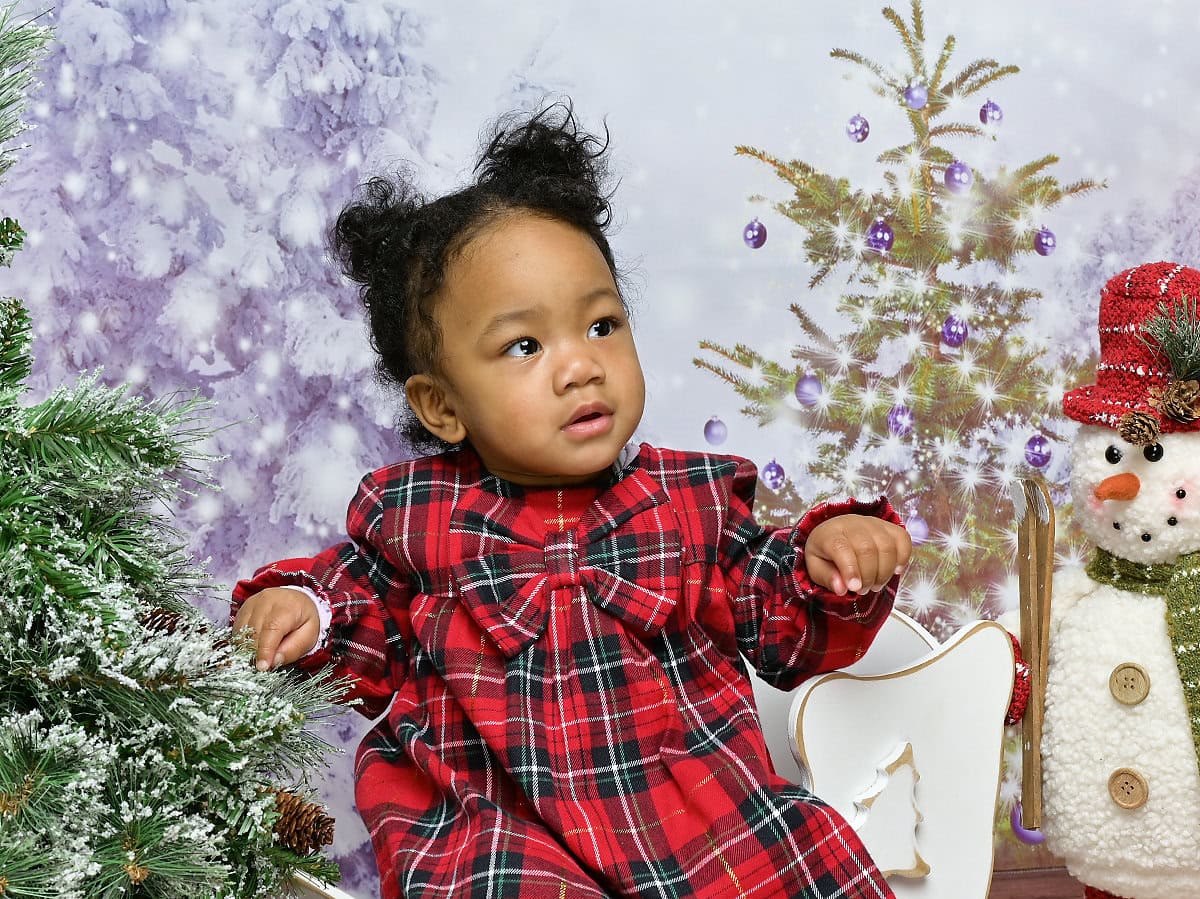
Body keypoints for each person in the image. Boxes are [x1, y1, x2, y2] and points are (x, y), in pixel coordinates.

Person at [232, 103, 911, 899]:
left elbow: (785, 623)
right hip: (495, 821)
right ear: (442, 405)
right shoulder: (416, 521)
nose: (580, 366)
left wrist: (833, 558)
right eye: (525, 345)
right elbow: (360, 617)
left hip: (694, 815)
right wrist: (303, 609)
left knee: (794, 863)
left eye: (600, 324)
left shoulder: (687, 502)